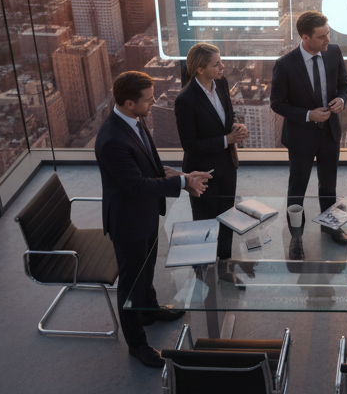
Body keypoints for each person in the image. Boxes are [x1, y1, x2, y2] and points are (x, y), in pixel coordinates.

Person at [95, 70, 210, 368]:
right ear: (129, 102)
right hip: (128, 220)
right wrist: (183, 185)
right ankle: (137, 344)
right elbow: (137, 185)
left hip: (144, 213)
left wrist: (183, 175)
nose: (152, 103)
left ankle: (149, 311)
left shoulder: (135, 121)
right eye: (147, 100)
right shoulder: (111, 140)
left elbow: (152, 165)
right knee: (131, 283)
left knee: (146, 271)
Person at [270, 10, 347, 255]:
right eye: (322, 36)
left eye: (328, 34)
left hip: (330, 133)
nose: (328, 40)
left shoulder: (334, 52)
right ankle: (297, 237)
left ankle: (330, 227)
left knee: (329, 186)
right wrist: (308, 114)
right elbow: (277, 103)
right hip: (300, 138)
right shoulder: (285, 65)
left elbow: (345, 84)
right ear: (305, 37)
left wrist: (341, 99)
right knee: (297, 189)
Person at [175, 43, 249, 286]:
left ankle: (225, 265)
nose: (222, 66)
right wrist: (225, 139)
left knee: (227, 216)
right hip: (202, 170)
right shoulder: (185, 100)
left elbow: (228, 114)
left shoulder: (222, 83)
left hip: (227, 163)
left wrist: (236, 126)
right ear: (199, 70)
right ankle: (203, 268)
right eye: (216, 64)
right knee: (205, 219)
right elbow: (191, 145)